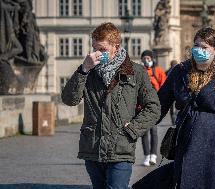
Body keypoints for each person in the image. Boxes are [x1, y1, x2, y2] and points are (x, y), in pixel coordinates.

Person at [61, 22, 161, 189]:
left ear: (117, 46)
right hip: (93, 149)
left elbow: (154, 107)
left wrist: (133, 130)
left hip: (121, 148)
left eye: (103, 50)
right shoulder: (89, 72)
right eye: (95, 49)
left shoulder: (136, 72)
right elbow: (70, 100)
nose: (98, 54)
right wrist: (83, 69)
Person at [157, 27, 215, 189]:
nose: (198, 50)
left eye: (204, 47)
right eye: (196, 45)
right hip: (186, 141)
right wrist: (136, 123)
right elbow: (159, 104)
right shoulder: (180, 71)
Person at [140, 50, 166, 166]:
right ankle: (146, 155)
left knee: (153, 131)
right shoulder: (140, 71)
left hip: (154, 105)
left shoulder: (158, 70)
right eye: (144, 59)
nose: (146, 61)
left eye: (148, 58)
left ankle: (153, 155)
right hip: (141, 106)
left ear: (152, 59)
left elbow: (165, 87)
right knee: (144, 132)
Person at [165, 60, 178, 125]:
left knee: (172, 108)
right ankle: (174, 120)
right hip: (176, 92)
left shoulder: (167, 72)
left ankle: (174, 121)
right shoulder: (179, 71)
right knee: (176, 108)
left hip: (171, 92)